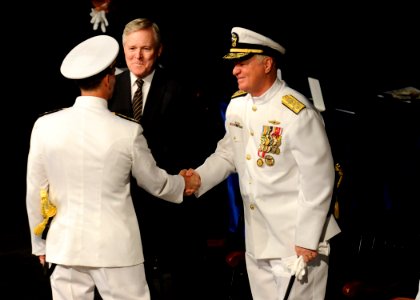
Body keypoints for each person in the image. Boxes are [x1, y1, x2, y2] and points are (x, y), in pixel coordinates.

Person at [26, 34, 200, 300]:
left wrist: (40, 244)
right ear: (109, 79)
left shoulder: (45, 126)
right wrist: (183, 184)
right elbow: (155, 183)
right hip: (117, 249)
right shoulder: (127, 130)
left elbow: (35, 191)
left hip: (64, 247)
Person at [186, 27, 341, 300]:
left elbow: (319, 178)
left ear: (267, 64)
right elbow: (228, 153)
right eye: (235, 63)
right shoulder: (237, 107)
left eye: (243, 62)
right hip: (258, 239)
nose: (235, 70)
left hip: (296, 242)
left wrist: (307, 237)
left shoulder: (297, 111)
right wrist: (199, 178)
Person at [107, 18, 223, 299]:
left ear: (158, 50)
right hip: (120, 205)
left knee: (174, 282)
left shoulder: (180, 88)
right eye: (132, 48)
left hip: (167, 205)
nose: (138, 56)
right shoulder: (109, 87)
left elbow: (200, 142)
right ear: (123, 49)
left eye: (145, 48)